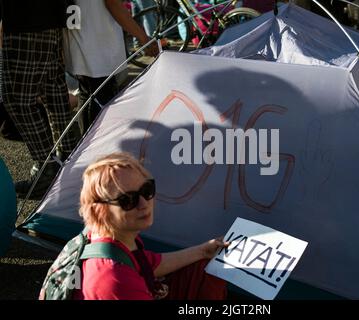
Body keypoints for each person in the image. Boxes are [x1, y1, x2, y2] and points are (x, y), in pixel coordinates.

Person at [73, 152, 228, 300]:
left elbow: (148, 263)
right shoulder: (116, 277)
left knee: (206, 266)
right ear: (99, 211)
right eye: (127, 200)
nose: (144, 204)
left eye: (146, 190)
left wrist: (202, 251)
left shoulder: (107, 234)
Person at [1, 0, 80, 199]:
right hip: (49, 20)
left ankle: (47, 169)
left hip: (24, 21)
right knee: (53, 93)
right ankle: (71, 157)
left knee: (18, 100)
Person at [64, 0, 157, 137]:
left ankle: (90, 146)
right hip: (96, 42)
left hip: (84, 37)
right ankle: (94, 148)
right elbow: (113, 3)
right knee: (98, 98)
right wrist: (142, 37)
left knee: (89, 94)